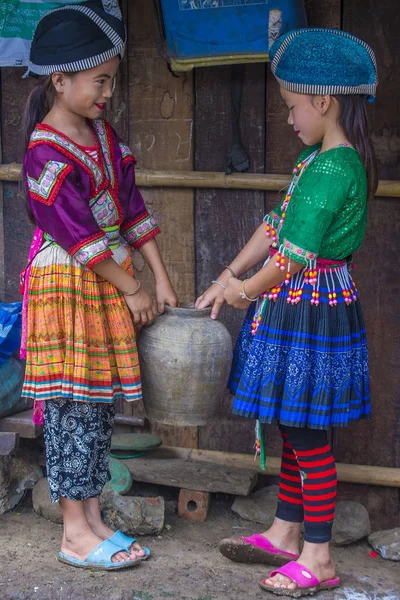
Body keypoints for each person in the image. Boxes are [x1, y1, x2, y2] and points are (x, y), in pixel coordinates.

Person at [196, 27, 378, 597]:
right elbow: (274, 227)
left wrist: (245, 291)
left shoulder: (334, 168)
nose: (291, 118)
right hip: (297, 309)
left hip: (311, 311)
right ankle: (284, 531)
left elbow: (294, 257)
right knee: (293, 425)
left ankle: (319, 557)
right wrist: (230, 272)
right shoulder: (313, 161)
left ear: (323, 101)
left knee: (307, 431)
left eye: (293, 107)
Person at [20, 3, 178, 571]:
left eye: (111, 80)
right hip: (68, 280)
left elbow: (133, 213)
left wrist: (158, 279)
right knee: (68, 405)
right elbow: (81, 236)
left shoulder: (104, 139)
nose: (108, 91)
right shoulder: (45, 152)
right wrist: (132, 285)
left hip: (105, 280)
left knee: (95, 407)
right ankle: (72, 532)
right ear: (60, 82)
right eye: (99, 81)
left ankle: (92, 520)